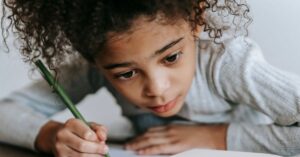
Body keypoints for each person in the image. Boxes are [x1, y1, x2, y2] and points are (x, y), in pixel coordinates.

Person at [1, 0, 300, 156]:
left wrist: (216, 136)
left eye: (171, 57)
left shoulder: (226, 64)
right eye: (126, 73)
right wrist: (51, 136)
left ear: (196, 20)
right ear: (92, 57)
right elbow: (5, 113)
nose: (157, 89)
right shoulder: (95, 66)